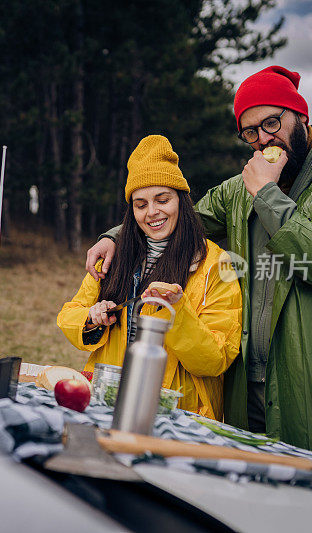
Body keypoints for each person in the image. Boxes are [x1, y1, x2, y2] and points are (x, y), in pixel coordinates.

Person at [85, 66, 312, 481]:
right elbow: (180, 220)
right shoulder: (237, 189)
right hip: (248, 381)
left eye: (271, 122)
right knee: (252, 495)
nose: (264, 138)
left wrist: (266, 193)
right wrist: (116, 235)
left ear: (300, 116)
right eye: (250, 131)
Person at [58, 135, 242, 421]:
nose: (152, 212)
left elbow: (216, 359)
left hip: (178, 412)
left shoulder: (217, 263)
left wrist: (177, 311)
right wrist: (91, 318)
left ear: (181, 200)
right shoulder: (114, 256)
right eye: (140, 204)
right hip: (106, 401)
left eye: (163, 199)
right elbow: (69, 315)